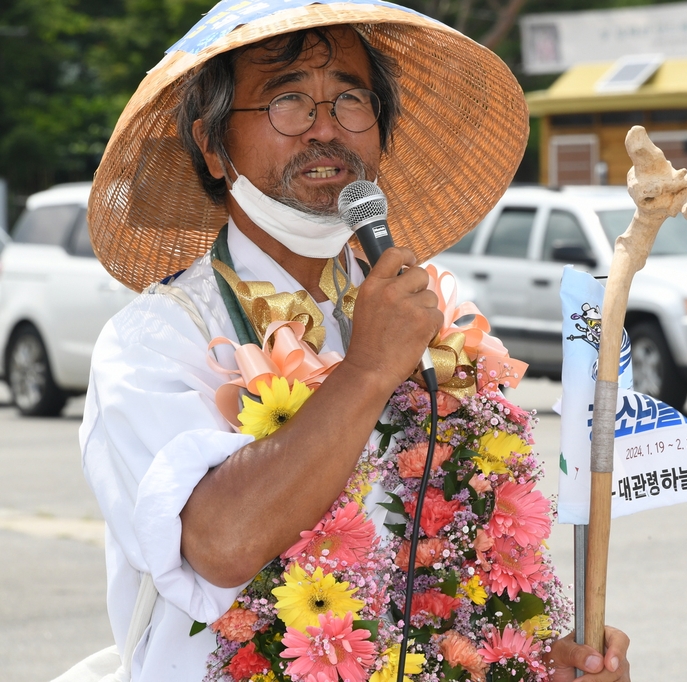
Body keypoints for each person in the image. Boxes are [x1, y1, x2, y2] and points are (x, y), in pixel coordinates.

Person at [82, 2, 631, 681]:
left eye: (350, 99)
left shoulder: (431, 320)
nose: (325, 129)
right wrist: (369, 369)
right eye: (287, 101)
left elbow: (444, 580)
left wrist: (545, 662)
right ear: (212, 145)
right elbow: (219, 545)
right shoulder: (156, 339)